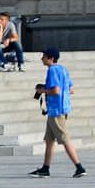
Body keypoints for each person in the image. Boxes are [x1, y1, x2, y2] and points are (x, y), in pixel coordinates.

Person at [29, 48, 86, 177]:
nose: (42, 58)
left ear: (50, 58)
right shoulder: (63, 70)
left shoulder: (52, 70)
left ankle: (79, 167)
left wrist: (42, 91)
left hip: (56, 111)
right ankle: (45, 168)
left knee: (64, 139)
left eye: (43, 56)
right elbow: (70, 89)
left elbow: (56, 90)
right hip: (62, 109)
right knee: (49, 140)